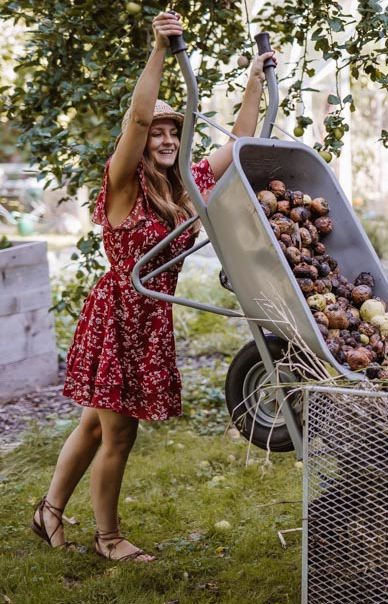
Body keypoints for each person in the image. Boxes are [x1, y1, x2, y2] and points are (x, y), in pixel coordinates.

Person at [31, 11, 274, 562]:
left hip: (149, 316)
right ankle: (108, 539)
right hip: (118, 314)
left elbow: (237, 144)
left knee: (95, 425)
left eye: (174, 132)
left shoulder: (184, 187)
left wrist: (255, 79)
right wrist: (161, 49)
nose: (165, 139)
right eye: (157, 133)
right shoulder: (122, 186)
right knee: (119, 435)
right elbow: (136, 120)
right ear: (140, 144)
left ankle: (48, 512)